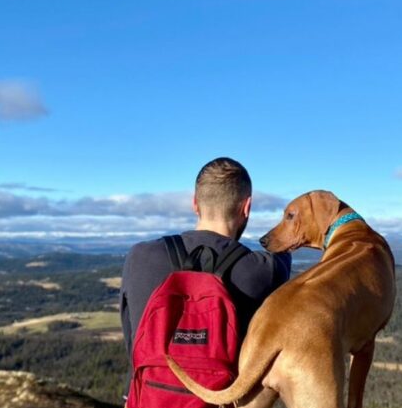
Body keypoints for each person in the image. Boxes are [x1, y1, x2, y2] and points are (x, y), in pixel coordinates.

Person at [120, 155, 291, 385]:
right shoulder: (266, 270)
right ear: (247, 207)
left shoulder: (140, 257)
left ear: (194, 204)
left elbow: (132, 343)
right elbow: (285, 250)